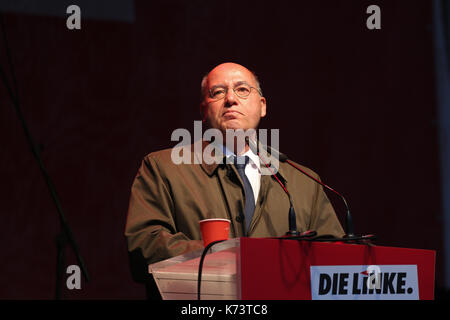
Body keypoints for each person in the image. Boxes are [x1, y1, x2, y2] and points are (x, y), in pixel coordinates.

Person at [125, 62, 345, 282]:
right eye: (218, 92)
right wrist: (226, 257)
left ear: (262, 106)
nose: (230, 99)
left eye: (242, 89)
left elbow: (338, 262)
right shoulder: (164, 169)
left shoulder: (304, 182)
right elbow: (144, 247)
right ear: (204, 110)